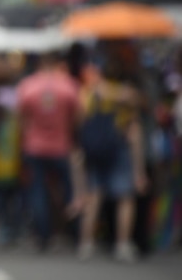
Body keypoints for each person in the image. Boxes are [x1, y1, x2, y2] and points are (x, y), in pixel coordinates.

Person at [75, 50, 149, 263]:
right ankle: (122, 243)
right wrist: (139, 170)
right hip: (119, 147)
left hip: (96, 149)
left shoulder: (89, 93)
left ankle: (86, 243)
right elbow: (136, 128)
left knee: (94, 196)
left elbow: (80, 120)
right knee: (125, 198)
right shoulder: (127, 94)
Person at [15, 51, 82, 251]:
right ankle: (75, 233)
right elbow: (78, 116)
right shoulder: (69, 85)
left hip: (34, 146)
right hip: (61, 146)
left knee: (38, 192)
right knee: (69, 191)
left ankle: (43, 235)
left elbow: (20, 119)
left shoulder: (28, 85)